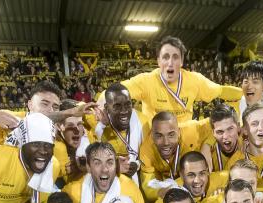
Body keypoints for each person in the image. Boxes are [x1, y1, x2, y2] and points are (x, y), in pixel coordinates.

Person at [108, 36, 241, 123]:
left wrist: (249, 93)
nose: (170, 62)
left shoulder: (194, 80)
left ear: (182, 61)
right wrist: (101, 106)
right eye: (165, 57)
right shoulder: (146, 81)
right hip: (154, 139)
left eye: (175, 57)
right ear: (158, 61)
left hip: (183, 137)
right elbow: (114, 92)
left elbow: (221, 91)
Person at [62, 141, 145, 203]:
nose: (104, 169)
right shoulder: (72, 192)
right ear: (88, 167)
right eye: (97, 163)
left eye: (109, 163)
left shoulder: (130, 189)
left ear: (116, 165)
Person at [139, 112, 211, 203]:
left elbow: (217, 123)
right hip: (169, 185)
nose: (166, 142)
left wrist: (207, 145)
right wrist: (161, 191)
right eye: (159, 136)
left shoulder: (191, 130)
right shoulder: (146, 150)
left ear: (179, 131)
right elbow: (148, 185)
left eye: (171, 135)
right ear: (152, 135)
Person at [94, 83, 146, 183]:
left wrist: (137, 164)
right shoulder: (98, 127)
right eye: (117, 106)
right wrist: (113, 166)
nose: (124, 111)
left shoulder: (143, 122)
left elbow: (149, 158)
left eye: (127, 105)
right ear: (106, 107)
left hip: (135, 181)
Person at [200, 105, 244, 172]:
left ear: (238, 127)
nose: (225, 136)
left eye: (230, 129)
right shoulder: (210, 153)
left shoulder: (247, 146)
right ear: (213, 133)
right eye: (220, 132)